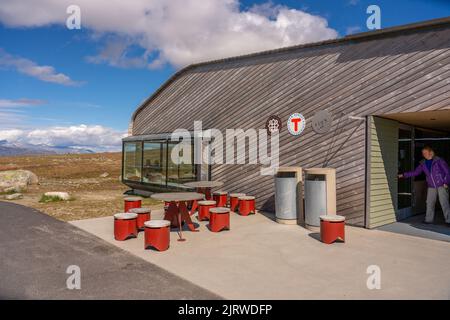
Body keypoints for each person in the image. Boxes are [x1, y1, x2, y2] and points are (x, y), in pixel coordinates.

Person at [398, 146, 450, 225]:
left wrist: (446, 182)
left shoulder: (439, 160)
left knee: (444, 203)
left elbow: (447, 172)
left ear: (430, 152)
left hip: (441, 185)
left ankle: (449, 220)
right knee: (429, 203)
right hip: (431, 186)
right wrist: (404, 175)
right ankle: (428, 220)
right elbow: (416, 172)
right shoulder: (423, 163)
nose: (424, 154)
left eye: (425, 152)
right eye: (423, 153)